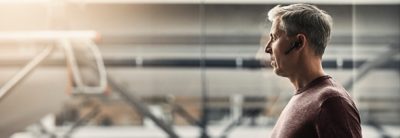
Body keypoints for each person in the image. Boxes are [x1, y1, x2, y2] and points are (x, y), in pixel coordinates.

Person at [264, 4, 362, 138]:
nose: (267, 48)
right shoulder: (304, 98)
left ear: (299, 42)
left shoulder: (331, 102)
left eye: (274, 37)